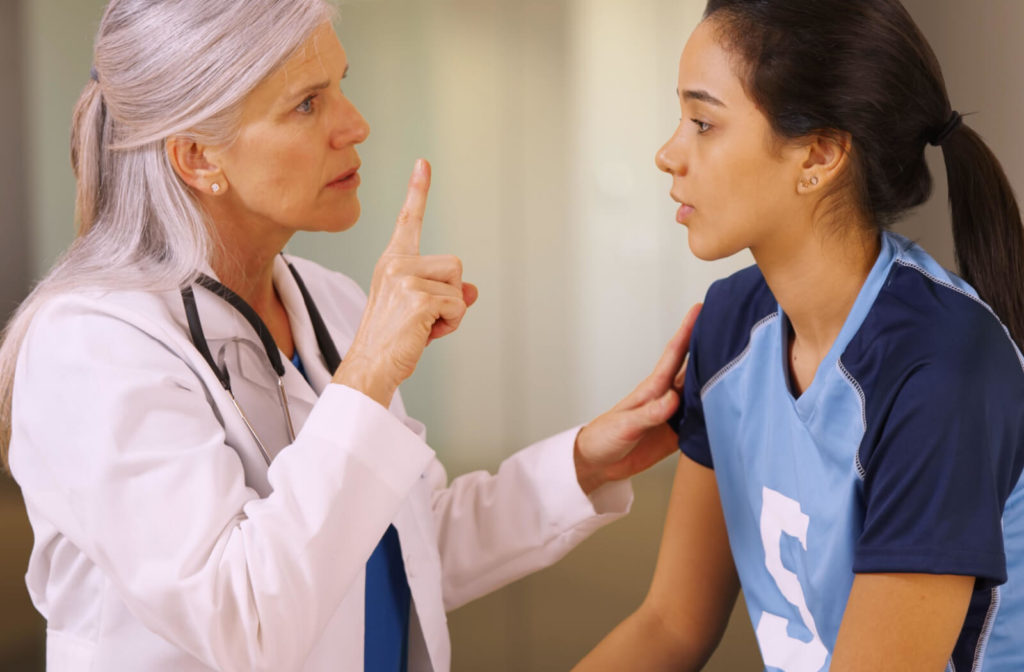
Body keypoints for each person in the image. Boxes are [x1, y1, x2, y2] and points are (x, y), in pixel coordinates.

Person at [0, 1, 699, 670]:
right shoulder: (89, 349)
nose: (356, 125)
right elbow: (242, 618)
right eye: (307, 104)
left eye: (341, 89)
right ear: (198, 158)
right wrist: (366, 376)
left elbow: (403, 550)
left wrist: (583, 466)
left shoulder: (324, 302)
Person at [574, 0, 1024, 670]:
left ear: (818, 154)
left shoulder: (938, 370)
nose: (668, 154)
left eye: (703, 123)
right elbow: (670, 625)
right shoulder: (727, 329)